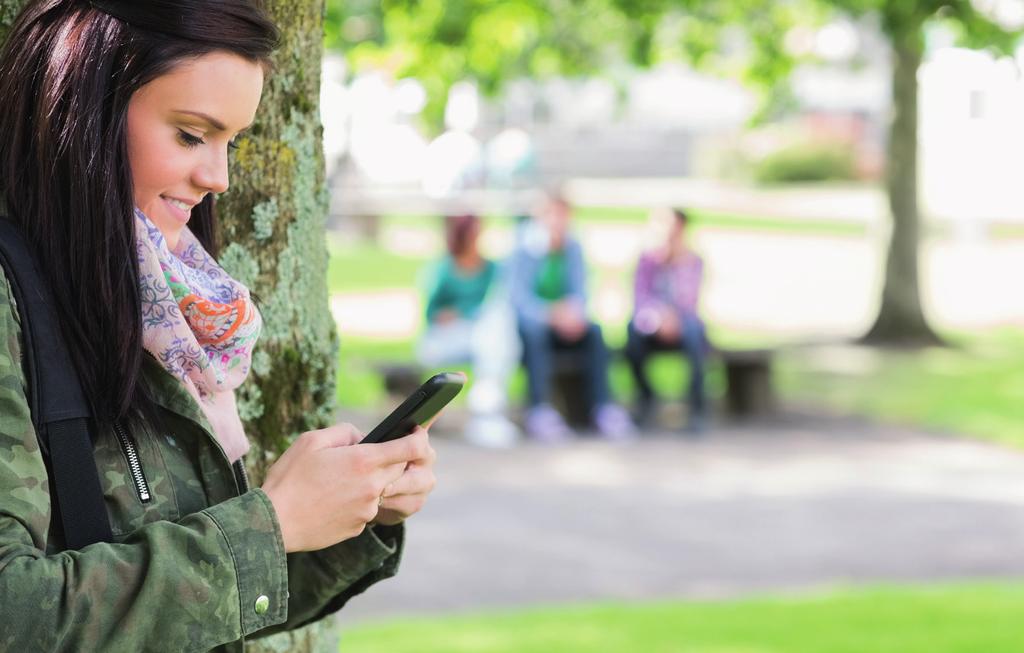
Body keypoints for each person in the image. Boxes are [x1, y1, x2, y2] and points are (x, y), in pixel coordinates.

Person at [0, 2, 436, 650]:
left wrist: (348, 509)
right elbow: (15, 613)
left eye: (231, 141)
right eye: (190, 134)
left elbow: (183, 609)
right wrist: (272, 523)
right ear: (86, 108)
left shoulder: (154, 299)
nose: (218, 177)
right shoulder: (15, 296)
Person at [508, 194, 635, 441]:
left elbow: (581, 290)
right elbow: (518, 298)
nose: (557, 222)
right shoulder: (524, 250)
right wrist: (550, 314)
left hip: (566, 323)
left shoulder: (573, 248)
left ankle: (602, 407)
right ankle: (539, 410)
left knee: (595, 333)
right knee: (536, 334)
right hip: (536, 325)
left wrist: (573, 313)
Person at [417, 214, 520, 447]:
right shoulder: (444, 268)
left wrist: (461, 312)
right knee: (495, 337)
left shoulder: (491, 268)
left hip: (480, 335)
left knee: (497, 325)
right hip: (444, 338)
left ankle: (487, 410)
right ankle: (487, 410)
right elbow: (433, 314)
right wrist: (465, 312)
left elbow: (494, 302)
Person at [625, 207, 709, 432]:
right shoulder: (646, 260)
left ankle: (697, 407)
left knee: (695, 335)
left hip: (683, 323)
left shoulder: (692, 261)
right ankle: (646, 397)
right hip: (653, 322)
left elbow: (690, 301)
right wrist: (659, 317)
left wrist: (679, 261)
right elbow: (640, 298)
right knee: (633, 334)